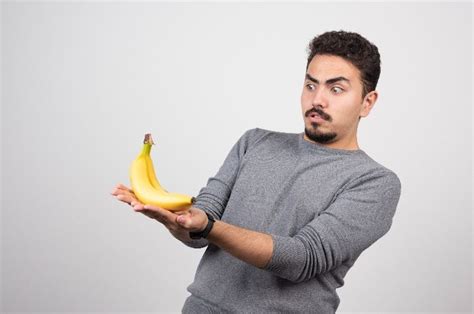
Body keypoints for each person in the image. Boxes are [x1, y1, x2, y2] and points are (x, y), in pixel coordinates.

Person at [111, 30, 402, 313]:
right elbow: (201, 226)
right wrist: (177, 222)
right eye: (311, 85)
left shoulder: (375, 183)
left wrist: (207, 226)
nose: (317, 100)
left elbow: (301, 260)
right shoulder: (254, 142)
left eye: (336, 89)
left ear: (367, 102)